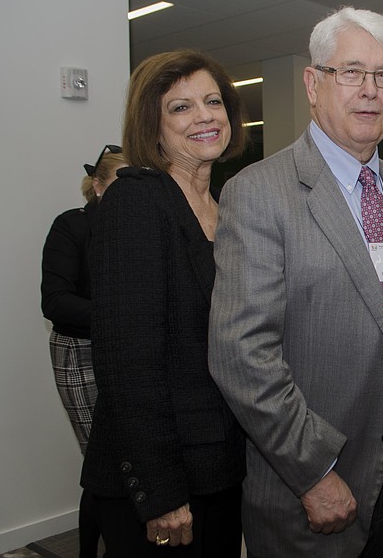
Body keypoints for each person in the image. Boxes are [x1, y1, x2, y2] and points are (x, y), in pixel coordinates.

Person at [208, 7, 383, 558]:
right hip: (314, 484)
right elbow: (241, 355)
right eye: (351, 72)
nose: (369, 91)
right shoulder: (259, 194)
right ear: (313, 82)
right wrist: (314, 471)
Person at [79, 50, 248, 557]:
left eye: (214, 101)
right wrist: (161, 494)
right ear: (151, 124)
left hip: (220, 466)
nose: (205, 116)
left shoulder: (227, 208)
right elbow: (129, 364)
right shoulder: (136, 203)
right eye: (181, 107)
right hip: (165, 485)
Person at [42, 144, 126, 558]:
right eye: (119, 184)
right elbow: (54, 300)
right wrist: (121, 316)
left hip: (128, 353)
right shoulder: (72, 227)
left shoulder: (139, 231)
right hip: (81, 352)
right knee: (104, 465)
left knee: (124, 462)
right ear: (97, 185)